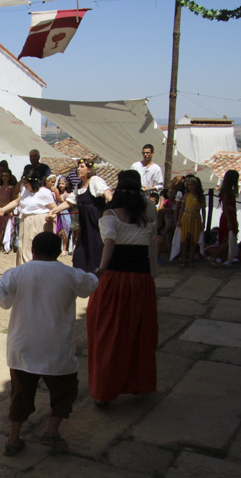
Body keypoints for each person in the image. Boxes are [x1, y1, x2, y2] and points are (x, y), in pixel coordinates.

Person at [0, 231, 98, 455]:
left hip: (22, 347)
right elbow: (90, 283)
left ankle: (13, 439)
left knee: (20, 396)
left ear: (33, 251)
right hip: (57, 348)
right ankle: (51, 431)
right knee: (65, 392)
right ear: (60, 250)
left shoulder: (18, 273)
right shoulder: (70, 274)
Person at [87, 170, 157, 406]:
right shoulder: (147, 219)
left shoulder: (110, 216)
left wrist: (101, 269)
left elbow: (109, 245)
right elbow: (151, 252)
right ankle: (137, 383)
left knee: (108, 333)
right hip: (141, 280)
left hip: (115, 280)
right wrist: (152, 278)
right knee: (138, 333)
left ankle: (105, 390)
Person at [47, 158, 113, 273]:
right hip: (85, 227)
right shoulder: (79, 186)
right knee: (80, 255)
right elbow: (69, 202)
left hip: (96, 226)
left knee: (95, 253)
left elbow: (106, 192)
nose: (79, 169)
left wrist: (112, 204)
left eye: (82, 167)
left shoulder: (95, 181)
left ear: (89, 170)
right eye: (78, 166)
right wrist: (54, 211)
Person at [0, 170, 56, 266]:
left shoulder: (44, 192)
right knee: (23, 247)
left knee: (33, 247)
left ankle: (35, 268)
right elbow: (17, 202)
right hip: (25, 220)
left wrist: (52, 215)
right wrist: (2, 209)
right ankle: (25, 268)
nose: (24, 185)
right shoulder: (26, 191)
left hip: (39, 222)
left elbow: (54, 209)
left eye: (25, 183)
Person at [208, 170, 239, 266]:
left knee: (230, 237)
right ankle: (214, 256)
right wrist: (229, 220)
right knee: (228, 239)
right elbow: (225, 205)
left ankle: (224, 257)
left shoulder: (229, 190)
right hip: (227, 216)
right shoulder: (227, 191)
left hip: (231, 215)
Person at [177, 175, 205, 268]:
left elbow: (203, 210)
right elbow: (182, 208)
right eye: (189, 185)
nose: (190, 187)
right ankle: (183, 260)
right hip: (186, 218)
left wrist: (203, 222)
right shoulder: (186, 195)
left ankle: (191, 261)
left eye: (192, 185)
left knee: (193, 241)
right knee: (185, 240)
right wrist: (179, 220)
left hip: (196, 219)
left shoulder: (200, 196)